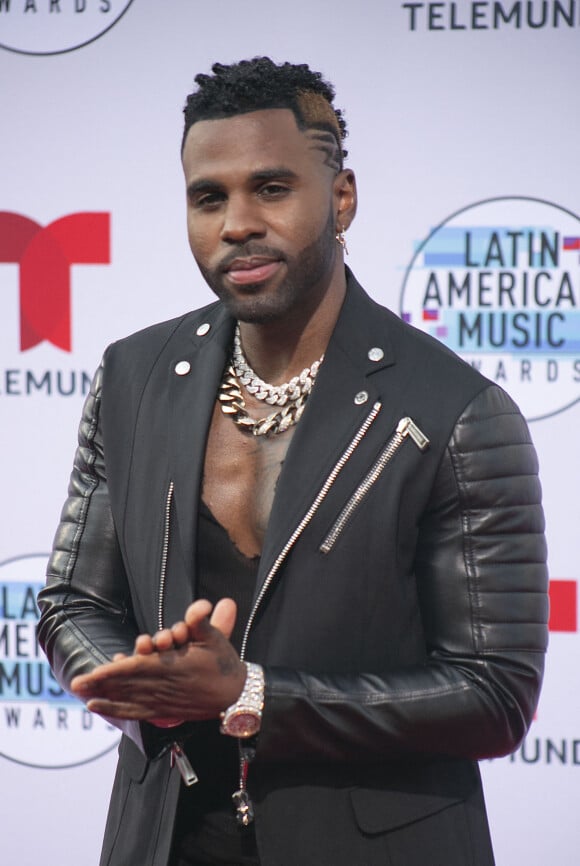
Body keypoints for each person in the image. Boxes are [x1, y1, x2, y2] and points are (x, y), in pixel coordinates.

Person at [37, 57, 549, 866]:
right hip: (165, 839)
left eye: (271, 189)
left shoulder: (456, 413)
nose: (236, 222)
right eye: (209, 197)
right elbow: (72, 600)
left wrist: (251, 695)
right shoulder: (133, 378)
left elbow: (494, 696)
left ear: (341, 197)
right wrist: (144, 683)